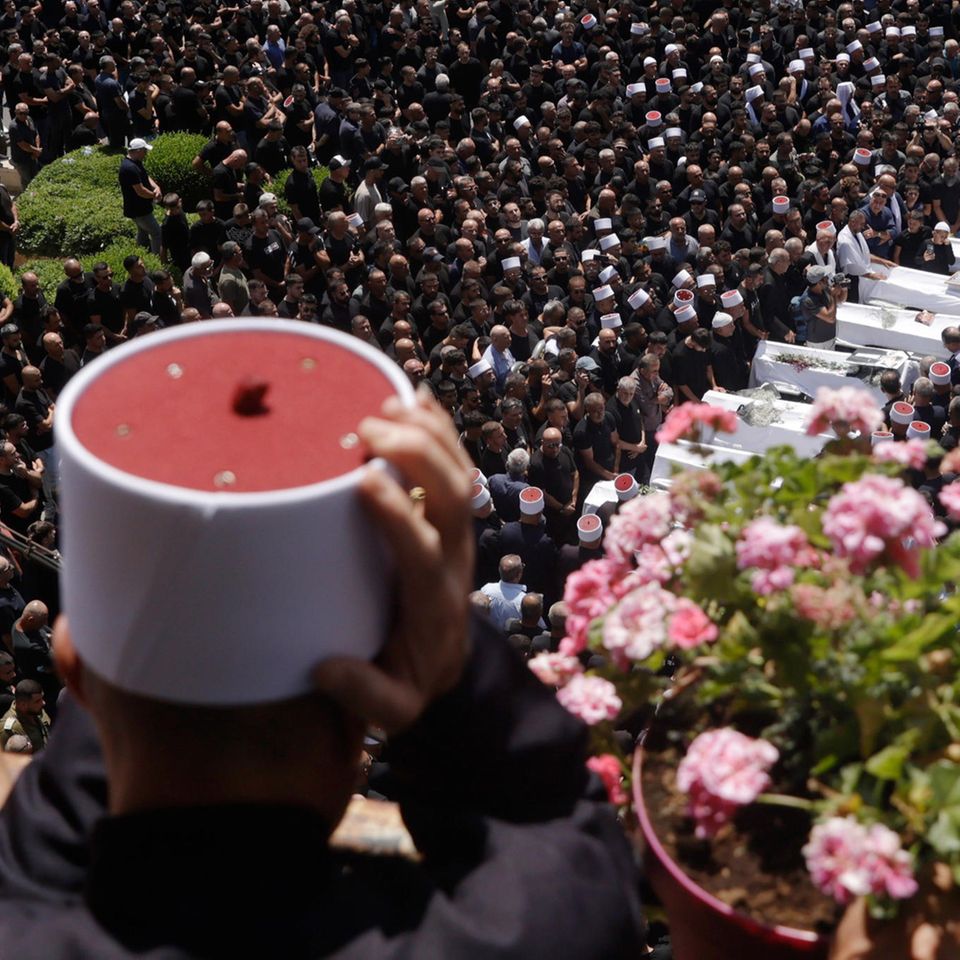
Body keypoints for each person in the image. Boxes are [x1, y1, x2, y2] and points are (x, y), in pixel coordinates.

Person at [0, 387, 645, 958]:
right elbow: (571, 852)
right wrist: (454, 669)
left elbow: (55, 807)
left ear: (74, 674)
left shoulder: (23, 915)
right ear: (363, 709)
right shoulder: (506, 939)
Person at [118, 139, 162, 255]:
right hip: (139, 209)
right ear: (137, 151)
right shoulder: (129, 168)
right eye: (144, 151)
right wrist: (154, 195)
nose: (146, 153)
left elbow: (145, 176)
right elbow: (140, 191)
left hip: (139, 208)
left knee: (143, 232)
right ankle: (157, 259)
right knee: (157, 233)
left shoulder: (136, 162)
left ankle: (141, 255)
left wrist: (155, 187)